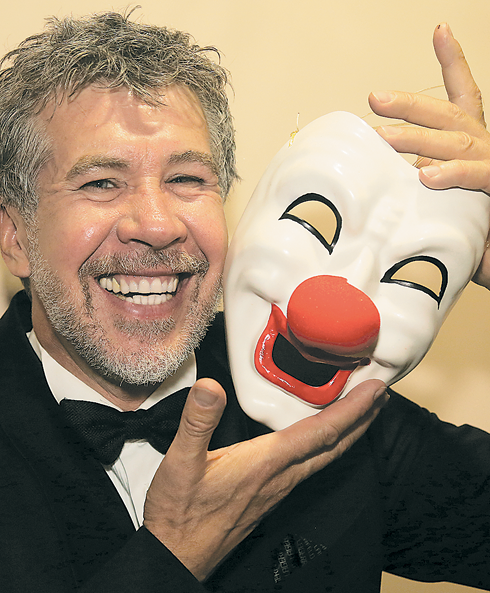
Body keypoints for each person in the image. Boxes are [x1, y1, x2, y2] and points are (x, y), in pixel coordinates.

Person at [0, 12, 488, 592]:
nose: (157, 226)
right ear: (15, 237)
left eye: (187, 179)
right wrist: (174, 553)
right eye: (100, 183)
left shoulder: (330, 402)